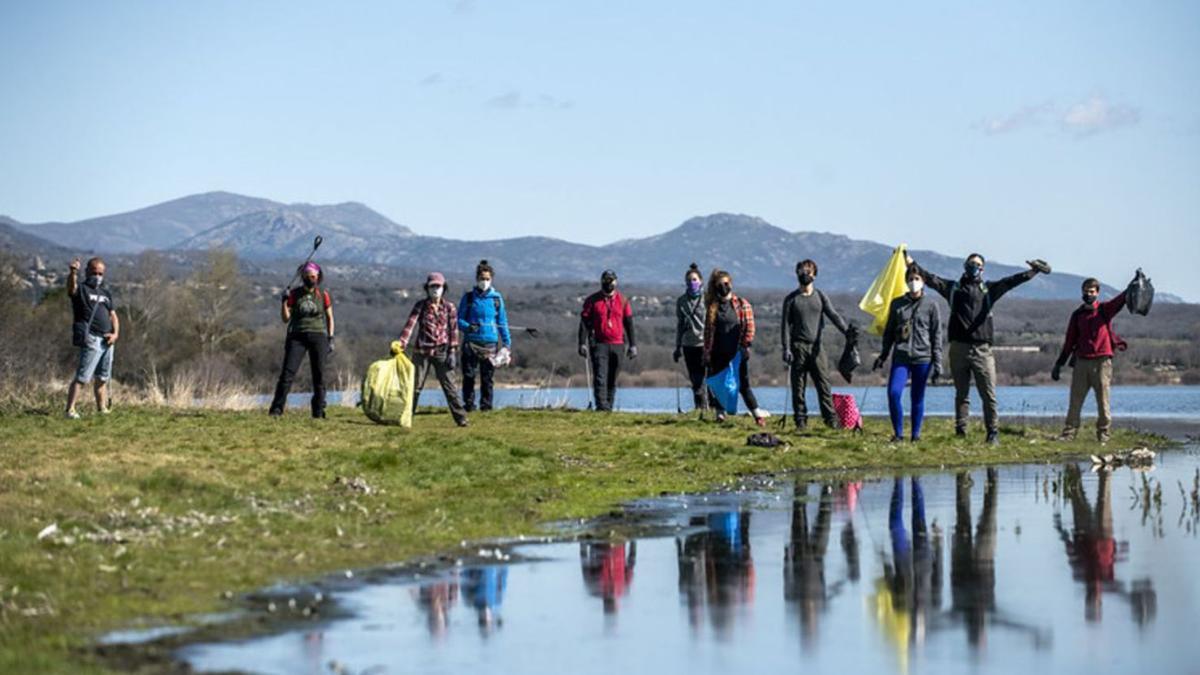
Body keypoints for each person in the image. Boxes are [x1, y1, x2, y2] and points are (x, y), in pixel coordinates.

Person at [908, 254, 1049, 445]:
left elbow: (1010, 282)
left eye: (978, 264)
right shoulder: (952, 288)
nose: (974, 266)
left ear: (983, 269)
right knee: (961, 394)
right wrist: (910, 262)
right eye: (971, 263)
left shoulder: (989, 289)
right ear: (965, 266)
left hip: (982, 350)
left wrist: (1032, 272)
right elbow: (930, 278)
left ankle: (992, 433)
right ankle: (960, 432)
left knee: (988, 394)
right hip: (958, 348)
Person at [1053, 277, 1131, 444]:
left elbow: (1120, 301)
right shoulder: (1077, 315)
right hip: (1081, 362)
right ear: (1082, 292)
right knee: (1075, 400)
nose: (1089, 294)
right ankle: (1069, 434)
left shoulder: (1105, 310)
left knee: (1103, 400)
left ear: (1097, 293)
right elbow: (1069, 341)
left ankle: (1103, 434)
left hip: (1102, 362)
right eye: (1086, 291)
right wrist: (1059, 364)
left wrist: (1131, 286)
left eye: (1092, 291)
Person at [781, 259, 854, 430]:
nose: (804, 274)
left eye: (808, 271)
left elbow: (833, 315)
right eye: (801, 271)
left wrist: (846, 332)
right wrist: (786, 348)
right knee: (798, 387)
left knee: (824, 384)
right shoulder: (791, 300)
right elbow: (784, 326)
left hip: (817, 347)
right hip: (797, 347)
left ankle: (830, 419)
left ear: (815, 275)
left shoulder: (820, 296)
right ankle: (800, 420)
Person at [873, 267, 944, 442]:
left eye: (917, 278)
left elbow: (937, 335)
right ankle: (898, 434)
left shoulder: (932, 305)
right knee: (894, 393)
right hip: (901, 357)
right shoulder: (897, 304)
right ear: (906, 281)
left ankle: (916, 435)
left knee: (917, 397)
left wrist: (938, 363)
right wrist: (883, 355)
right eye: (911, 279)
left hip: (923, 357)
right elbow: (889, 333)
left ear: (923, 282)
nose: (914, 282)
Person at [399, 272, 469, 427]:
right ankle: (407, 416)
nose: (435, 290)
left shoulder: (449, 308)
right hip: (422, 352)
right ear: (427, 289)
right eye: (432, 287)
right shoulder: (421, 306)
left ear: (444, 288)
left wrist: (452, 352)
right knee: (415, 387)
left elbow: (453, 331)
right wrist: (402, 343)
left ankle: (461, 418)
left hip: (442, 352)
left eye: (438, 286)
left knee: (450, 386)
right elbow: (410, 325)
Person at [269, 262, 335, 418]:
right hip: (297, 336)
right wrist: (284, 302)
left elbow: (330, 317)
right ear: (303, 277)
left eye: (313, 276)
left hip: (319, 336)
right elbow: (286, 319)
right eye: (307, 276)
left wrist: (330, 338)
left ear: (318, 277)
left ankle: (318, 411)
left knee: (319, 375)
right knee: (287, 374)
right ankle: (276, 409)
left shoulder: (323, 295)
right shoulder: (294, 294)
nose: (310, 279)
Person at [703, 269, 767, 425]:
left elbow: (750, 327)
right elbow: (707, 332)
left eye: (726, 284)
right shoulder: (713, 307)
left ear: (730, 284)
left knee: (743, 385)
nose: (723, 287)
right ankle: (720, 414)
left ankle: (757, 414)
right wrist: (706, 352)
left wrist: (746, 345)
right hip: (718, 352)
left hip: (737, 352)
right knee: (719, 384)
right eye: (720, 285)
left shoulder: (742, 304)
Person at [65, 257, 119, 419]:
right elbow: (71, 288)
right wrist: (73, 272)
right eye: (94, 272)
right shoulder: (81, 290)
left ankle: (101, 408)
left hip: (107, 340)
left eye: (100, 273)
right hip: (92, 338)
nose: (97, 276)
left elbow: (113, 315)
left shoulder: (106, 293)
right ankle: (70, 410)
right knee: (83, 377)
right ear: (87, 272)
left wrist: (115, 334)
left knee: (102, 377)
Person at [578, 269, 636, 412]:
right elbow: (584, 323)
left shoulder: (623, 301)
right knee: (600, 377)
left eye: (611, 280)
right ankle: (601, 406)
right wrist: (581, 343)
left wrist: (633, 345)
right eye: (606, 280)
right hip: (599, 344)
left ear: (616, 282)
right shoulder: (592, 301)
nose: (608, 283)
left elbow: (629, 324)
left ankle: (608, 406)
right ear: (601, 282)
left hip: (618, 344)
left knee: (612, 378)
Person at [457, 260, 511, 412]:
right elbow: (459, 320)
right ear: (477, 279)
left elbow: (502, 321)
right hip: (471, 343)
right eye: (482, 278)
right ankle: (468, 405)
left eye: (487, 279)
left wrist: (507, 343)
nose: (484, 281)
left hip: (490, 343)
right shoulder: (468, 298)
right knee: (468, 376)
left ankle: (486, 406)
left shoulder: (496, 299)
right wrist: (468, 327)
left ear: (491, 279)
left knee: (487, 378)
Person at [673, 263, 711, 412]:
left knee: (709, 377)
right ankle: (699, 407)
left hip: (705, 343)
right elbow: (679, 324)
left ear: (701, 281)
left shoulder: (707, 299)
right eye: (689, 280)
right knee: (695, 379)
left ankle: (713, 407)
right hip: (688, 344)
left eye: (694, 279)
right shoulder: (681, 301)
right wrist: (677, 347)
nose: (692, 283)